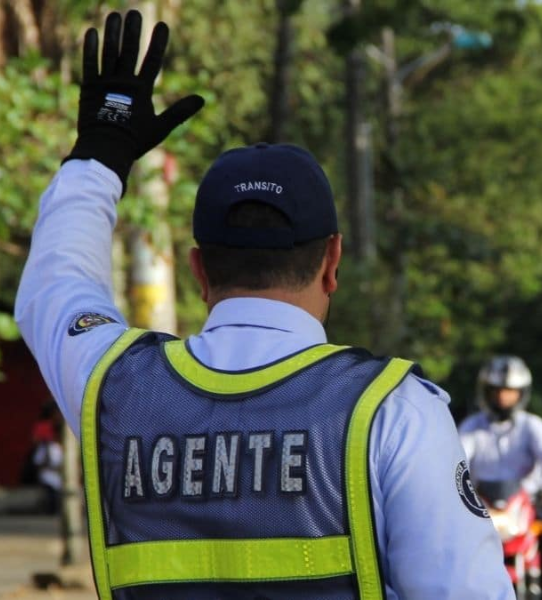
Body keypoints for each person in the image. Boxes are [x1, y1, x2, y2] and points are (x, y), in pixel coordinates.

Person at [15, 10, 513, 600]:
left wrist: (100, 154)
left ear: (199, 270)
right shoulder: (391, 411)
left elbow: (52, 285)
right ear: (332, 261)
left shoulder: (116, 389)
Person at [458, 356, 542, 599]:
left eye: (510, 391)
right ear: (486, 392)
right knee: (450, 542)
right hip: (481, 507)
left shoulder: (533, 426)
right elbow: (456, 462)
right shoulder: (471, 427)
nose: (503, 397)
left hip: (527, 503)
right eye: (497, 390)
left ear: (521, 393)